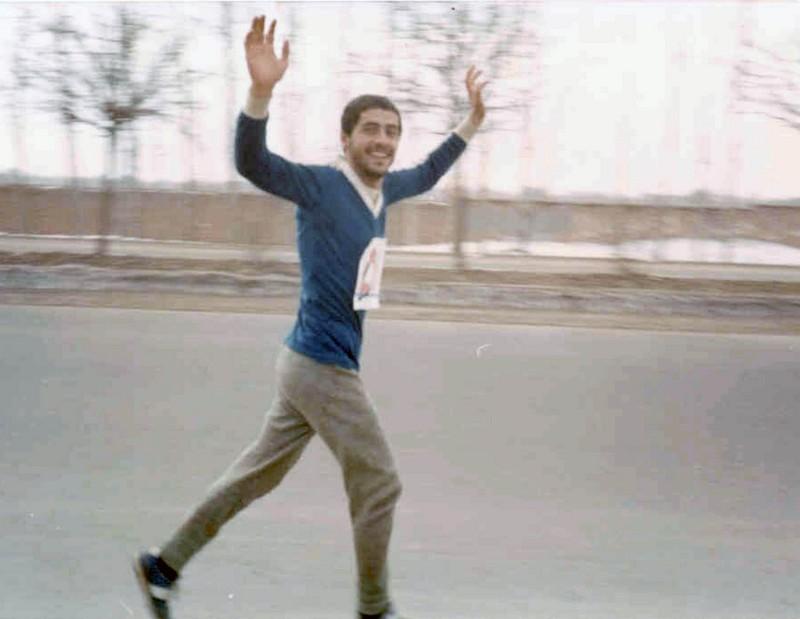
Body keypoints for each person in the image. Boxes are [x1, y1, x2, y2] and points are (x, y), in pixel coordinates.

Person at [134, 15, 486, 619]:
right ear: (346, 139)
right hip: (321, 365)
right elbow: (253, 163)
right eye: (370, 129)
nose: (383, 140)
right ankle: (374, 609)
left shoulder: (383, 191)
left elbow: (429, 170)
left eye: (392, 132)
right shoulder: (321, 186)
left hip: (308, 361)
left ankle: (162, 567)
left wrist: (471, 121)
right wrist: (260, 92)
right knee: (380, 482)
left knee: (253, 477)